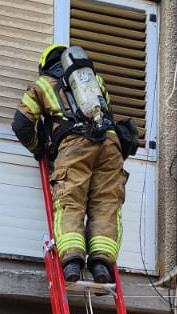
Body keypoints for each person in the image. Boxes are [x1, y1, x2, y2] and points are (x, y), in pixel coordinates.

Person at [12, 43, 139, 284]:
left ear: (45, 65)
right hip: (110, 146)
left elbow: (21, 124)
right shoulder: (95, 82)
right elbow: (106, 113)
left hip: (74, 146)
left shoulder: (42, 85)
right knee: (106, 204)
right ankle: (101, 264)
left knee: (70, 202)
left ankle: (72, 261)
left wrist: (38, 147)